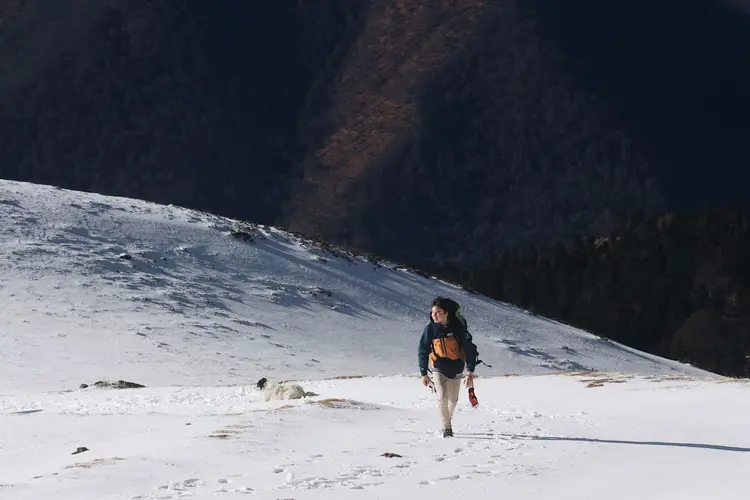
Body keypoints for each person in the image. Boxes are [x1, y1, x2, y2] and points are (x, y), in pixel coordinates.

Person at [418, 296, 478, 437]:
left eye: (438, 312)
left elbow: (469, 349)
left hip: (456, 366)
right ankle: (447, 428)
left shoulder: (458, 328)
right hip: (438, 366)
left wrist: (470, 371)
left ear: (446, 313)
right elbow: (422, 350)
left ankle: (447, 418)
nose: (434, 315)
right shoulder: (430, 329)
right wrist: (423, 373)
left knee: (453, 400)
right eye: (433, 312)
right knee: (442, 397)